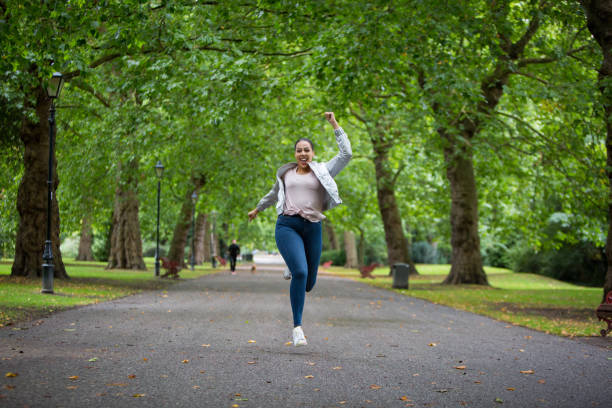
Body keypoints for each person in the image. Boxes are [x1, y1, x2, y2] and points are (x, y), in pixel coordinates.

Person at [248, 112, 352, 346]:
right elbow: (274, 193)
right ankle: (297, 327)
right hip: (287, 225)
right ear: (295, 154)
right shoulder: (285, 173)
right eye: (299, 150)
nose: (302, 153)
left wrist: (334, 124)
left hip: (313, 226)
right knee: (301, 273)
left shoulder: (324, 170)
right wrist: (258, 209)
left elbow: (347, 153)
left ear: (312, 153)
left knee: (309, 283)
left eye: (307, 150)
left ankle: (294, 267)